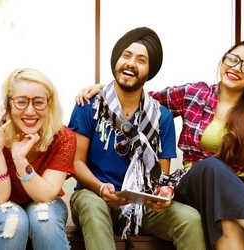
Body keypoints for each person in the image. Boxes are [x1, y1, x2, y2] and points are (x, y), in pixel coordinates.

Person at [76, 40, 244, 250]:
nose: (236, 68)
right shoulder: (195, 94)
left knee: (227, 220)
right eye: (232, 59)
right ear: (223, 60)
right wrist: (108, 89)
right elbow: (142, 99)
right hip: (196, 183)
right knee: (212, 165)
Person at [67, 27, 205, 250]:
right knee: (92, 206)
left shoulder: (162, 117)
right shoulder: (89, 106)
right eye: (126, 55)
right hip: (93, 195)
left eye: (141, 60)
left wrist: (164, 193)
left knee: (189, 219)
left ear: (149, 71)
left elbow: (160, 177)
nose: (131, 63)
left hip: (141, 204)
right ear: (116, 61)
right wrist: (101, 188)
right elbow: (75, 162)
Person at [0, 68, 75, 249]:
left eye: (39, 102)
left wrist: (20, 160)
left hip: (41, 200)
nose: (30, 111)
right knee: (13, 219)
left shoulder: (63, 138)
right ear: (8, 104)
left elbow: (46, 195)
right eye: (21, 102)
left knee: (44, 220)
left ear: (49, 104)